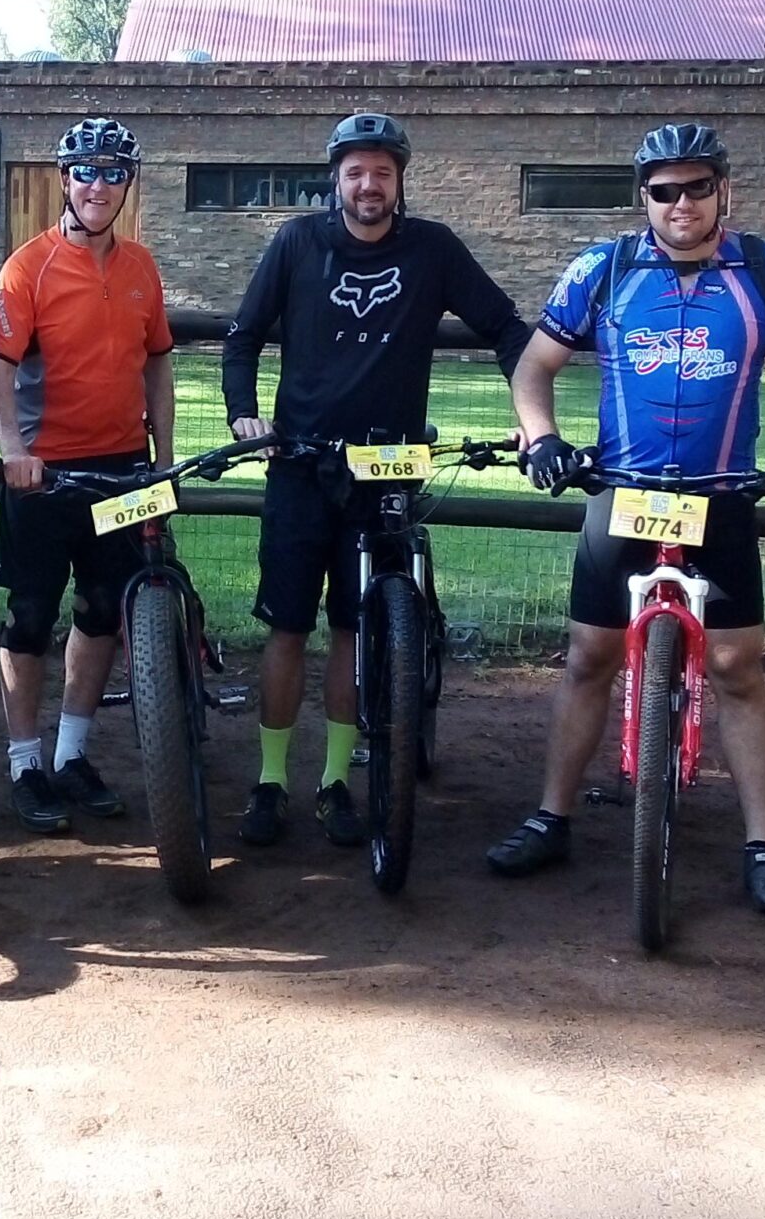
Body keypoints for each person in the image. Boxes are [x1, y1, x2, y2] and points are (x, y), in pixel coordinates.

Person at [485, 122, 765, 916]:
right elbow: (533, 365)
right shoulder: (605, 267)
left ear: (724, 190)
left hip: (721, 495)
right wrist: (543, 436)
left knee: (735, 670)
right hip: (622, 491)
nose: (680, 202)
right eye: (664, 190)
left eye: (696, 187)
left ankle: (763, 844)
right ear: (643, 199)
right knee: (588, 657)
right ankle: (551, 814)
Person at [223, 111, 535, 848]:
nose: (369, 185)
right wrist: (243, 416)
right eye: (356, 171)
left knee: (349, 630)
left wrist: (533, 416)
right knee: (288, 628)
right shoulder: (299, 242)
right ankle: (270, 780)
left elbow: (506, 327)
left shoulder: (432, 249)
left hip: (388, 467)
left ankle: (335, 781)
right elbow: (242, 339)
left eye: (383, 173)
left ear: (400, 180)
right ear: (336, 178)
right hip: (301, 463)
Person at [0, 118, 176, 833]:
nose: (99, 185)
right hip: (43, 470)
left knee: (103, 611)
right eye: (86, 172)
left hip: (122, 468)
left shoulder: (142, 268)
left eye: (114, 172)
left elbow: (158, 359)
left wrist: (162, 455)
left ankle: (71, 753)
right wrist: (13, 449)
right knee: (30, 618)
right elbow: (2, 370)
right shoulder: (26, 267)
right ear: (65, 180)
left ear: (128, 182)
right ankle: (24, 762)